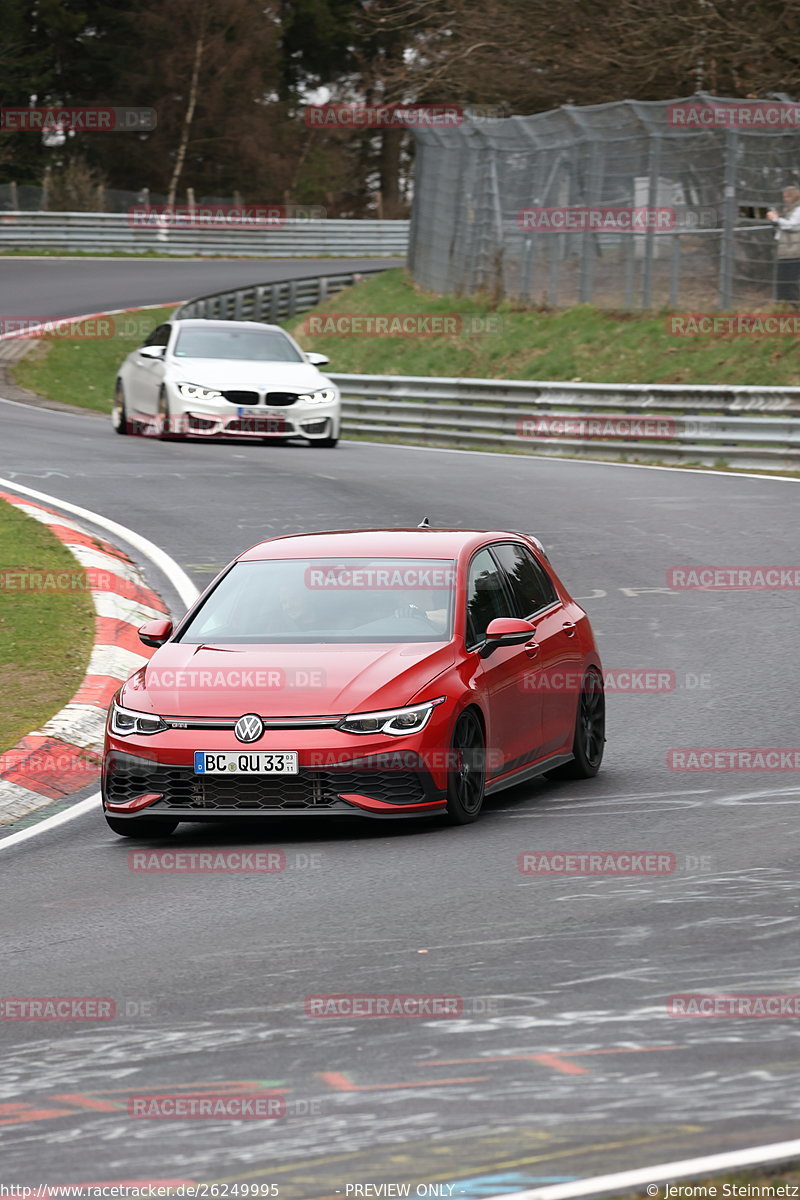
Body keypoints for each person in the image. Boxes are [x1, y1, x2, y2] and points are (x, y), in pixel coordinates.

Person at [767, 186, 800, 303]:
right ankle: (782, 308)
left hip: (795, 251)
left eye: (788, 196)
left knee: (790, 282)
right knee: (782, 282)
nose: (785, 199)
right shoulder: (789, 209)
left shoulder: (798, 209)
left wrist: (776, 219)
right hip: (786, 251)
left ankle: (792, 309)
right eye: (784, 197)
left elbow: (792, 225)